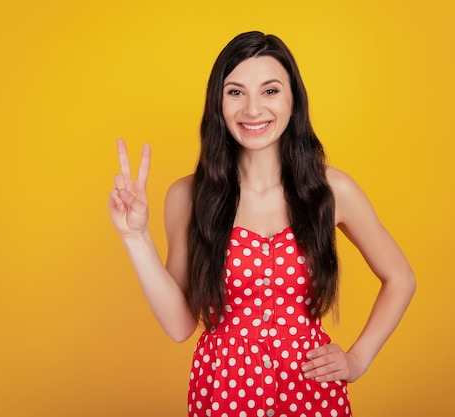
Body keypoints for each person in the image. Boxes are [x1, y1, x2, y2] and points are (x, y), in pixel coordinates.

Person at [109, 31, 416, 417]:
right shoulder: (188, 196)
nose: (253, 109)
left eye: (270, 91)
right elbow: (180, 325)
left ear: (293, 101)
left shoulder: (333, 189)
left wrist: (358, 358)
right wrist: (135, 236)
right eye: (235, 92)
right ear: (217, 104)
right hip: (224, 393)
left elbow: (401, 278)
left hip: (311, 393)